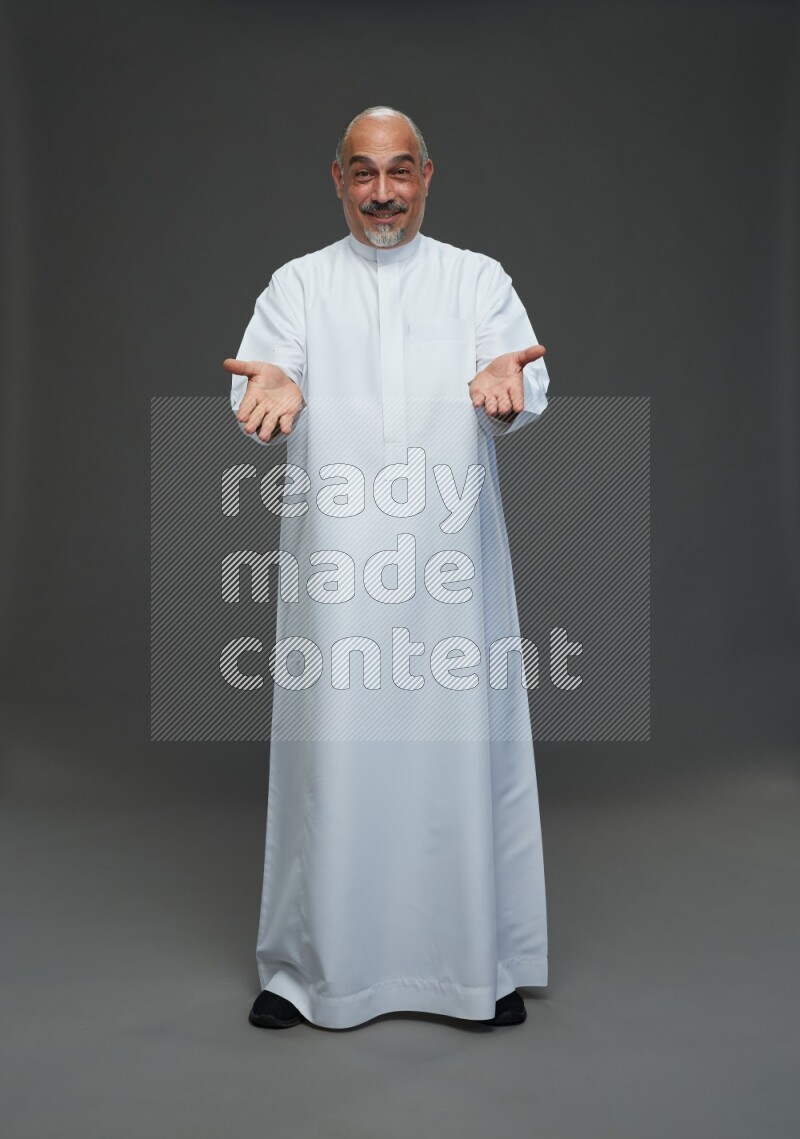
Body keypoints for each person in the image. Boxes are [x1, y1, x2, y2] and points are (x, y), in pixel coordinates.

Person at [225, 106, 551, 1030]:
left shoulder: (476, 278)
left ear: (426, 176)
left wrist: (504, 396)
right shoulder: (298, 285)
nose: (382, 193)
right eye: (363, 173)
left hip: (450, 574)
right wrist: (274, 390)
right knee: (332, 763)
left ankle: (474, 967)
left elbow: (517, 377)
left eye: (399, 171)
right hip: (338, 578)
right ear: (338, 180)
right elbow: (263, 382)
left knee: (456, 755)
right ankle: (309, 971)